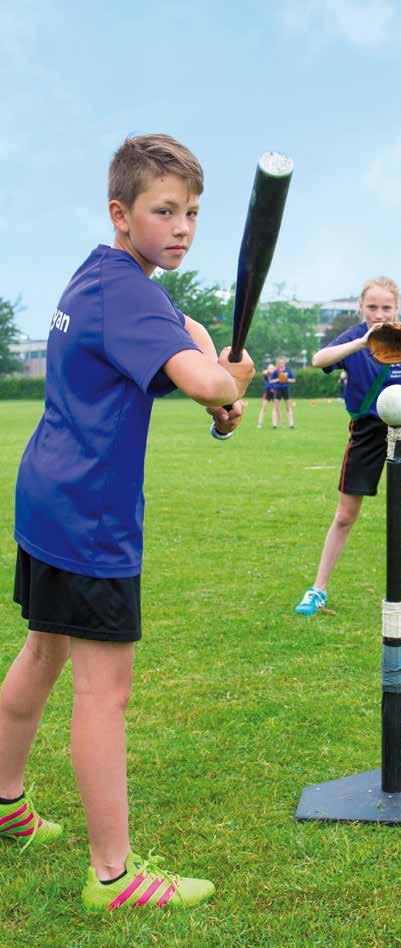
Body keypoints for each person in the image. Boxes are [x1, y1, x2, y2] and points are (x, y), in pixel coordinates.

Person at [0, 134, 255, 912]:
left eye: (192, 214)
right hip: (90, 519)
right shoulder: (131, 293)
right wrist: (228, 383)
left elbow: (190, 340)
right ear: (122, 212)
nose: (181, 227)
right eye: (163, 211)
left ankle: (3, 804)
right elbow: (208, 369)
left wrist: (212, 374)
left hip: (47, 497)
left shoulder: (103, 274)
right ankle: (113, 876)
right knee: (101, 691)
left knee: (42, 652)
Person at [294, 276, 401, 623]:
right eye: (372, 307)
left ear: (396, 309)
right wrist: (360, 344)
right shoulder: (354, 336)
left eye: (386, 307)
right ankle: (318, 589)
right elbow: (319, 358)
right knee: (344, 516)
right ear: (361, 307)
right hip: (366, 433)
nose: (379, 314)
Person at [270, 356, 296, 428]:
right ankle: (274, 424)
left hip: (286, 389)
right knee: (276, 407)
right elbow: (271, 381)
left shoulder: (288, 370)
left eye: (283, 362)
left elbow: (293, 380)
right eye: (280, 363)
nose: (281, 364)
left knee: (288, 407)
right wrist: (278, 379)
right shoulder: (276, 371)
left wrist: (286, 379)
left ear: (285, 363)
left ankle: (291, 424)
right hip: (278, 389)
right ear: (278, 363)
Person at [257, 362, 277, 427]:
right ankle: (259, 423)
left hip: (275, 392)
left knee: (275, 409)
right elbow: (264, 372)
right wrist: (268, 371)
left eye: (272, 368)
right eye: (269, 368)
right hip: (268, 392)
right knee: (264, 408)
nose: (271, 369)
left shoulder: (276, 375)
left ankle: (274, 424)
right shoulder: (266, 375)